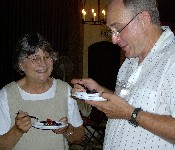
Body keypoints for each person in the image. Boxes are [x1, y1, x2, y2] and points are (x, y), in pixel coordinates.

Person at [71, 0, 175, 149]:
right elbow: (130, 103)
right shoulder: (130, 61)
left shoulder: (172, 60)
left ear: (143, 19)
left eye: (118, 29)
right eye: (111, 31)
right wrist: (100, 92)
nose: (114, 40)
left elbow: (128, 111)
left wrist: (131, 114)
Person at [0, 33, 85, 150]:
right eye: (35, 58)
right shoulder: (7, 94)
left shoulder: (64, 89)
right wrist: (17, 130)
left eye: (47, 57)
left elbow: (79, 136)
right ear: (20, 64)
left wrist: (67, 129)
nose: (43, 64)